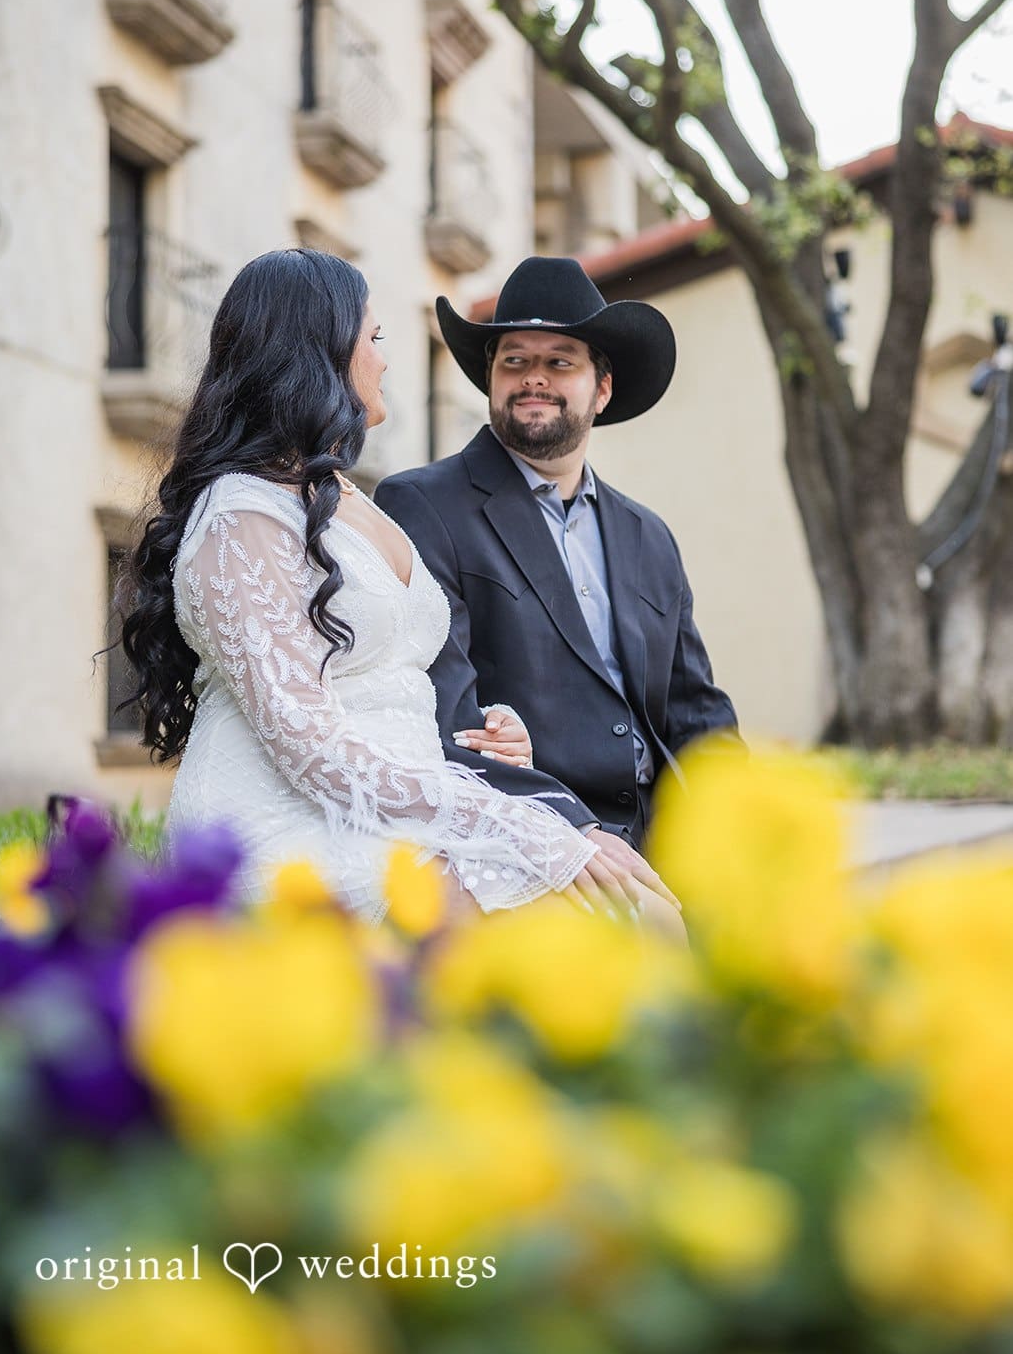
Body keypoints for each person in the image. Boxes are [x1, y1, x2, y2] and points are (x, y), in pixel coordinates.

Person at [120, 249, 683, 934]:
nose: (385, 360)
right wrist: (520, 823)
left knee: (649, 916)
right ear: (318, 353)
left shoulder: (338, 494)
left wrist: (490, 732)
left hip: (393, 816)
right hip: (294, 829)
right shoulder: (244, 517)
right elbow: (311, 746)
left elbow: (394, 681)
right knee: (629, 923)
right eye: (374, 339)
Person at [374, 256, 739, 865]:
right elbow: (446, 712)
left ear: (602, 387)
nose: (533, 378)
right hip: (530, 837)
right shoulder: (424, 505)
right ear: (490, 377)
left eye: (559, 361)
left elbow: (695, 709)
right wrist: (573, 833)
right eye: (514, 360)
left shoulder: (648, 535)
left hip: (672, 840)